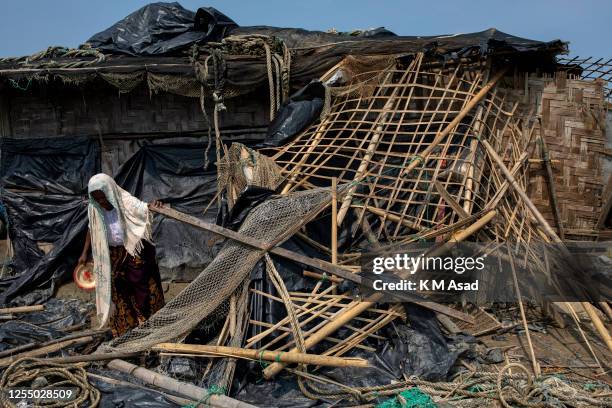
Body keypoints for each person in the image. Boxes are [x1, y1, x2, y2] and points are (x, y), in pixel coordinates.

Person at [76, 173, 165, 337]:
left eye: (103, 198)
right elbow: (91, 229)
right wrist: (84, 253)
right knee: (117, 288)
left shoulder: (124, 200)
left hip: (133, 248)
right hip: (112, 252)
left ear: (109, 192)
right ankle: (126, 328)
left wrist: (150, 206)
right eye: (97, 199)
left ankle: (149, 322)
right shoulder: (94, 208)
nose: (101, 202)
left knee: (141, 285)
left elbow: (141, 207)